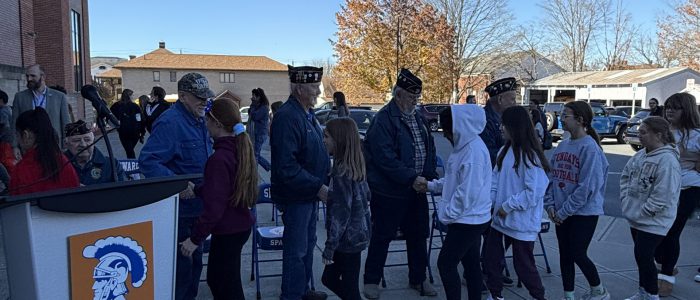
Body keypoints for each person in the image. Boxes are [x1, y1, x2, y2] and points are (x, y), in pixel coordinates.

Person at [362, 68, 439, 298]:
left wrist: (428, 173)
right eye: (411, 97)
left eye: (417, 97)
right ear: (398, 95)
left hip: (417, 189)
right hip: (390, 191)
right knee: (382, 235)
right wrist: (410, 177)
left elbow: (429, 147)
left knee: (418, 235)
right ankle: (372, 280)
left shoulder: (417, 117)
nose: (415, 101)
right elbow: (384, 157)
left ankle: (419, 278)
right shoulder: (384, 119)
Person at [138, 73, 214, 300]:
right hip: (181, 214)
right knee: (181, 274)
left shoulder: (199, 119)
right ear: (182, 96)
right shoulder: (170, 123)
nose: (204, 101)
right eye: (199, 97)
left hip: (198, 211)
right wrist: (178, 184)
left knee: (194, 269)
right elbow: (148, 161)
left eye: (206, 97)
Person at [179, 97, 257, 300]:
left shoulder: (219, 158)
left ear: (217, 124)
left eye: (207, 120)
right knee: (224, 281)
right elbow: (224, 188)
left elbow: (215, 206)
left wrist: (195, 239)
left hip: (229, 229)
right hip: (239, 226)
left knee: (223, 284)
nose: (205, 124)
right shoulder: (237, 150)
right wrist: (197, 190)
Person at [270, 65, 330, 300]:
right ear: (299, 88)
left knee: (307, 246)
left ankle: (303, 290)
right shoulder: (288, 117)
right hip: (296, 197)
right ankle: (292, 295)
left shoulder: (306, 114)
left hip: (308, 195)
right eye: (314, 86)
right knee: (296, 251)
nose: (318, 91)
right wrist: (317, 186)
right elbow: (287, 167)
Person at [544, 101, 611, 300]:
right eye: (562, 115)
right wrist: (550, 205)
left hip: (584, 213)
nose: (562, 119)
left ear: (580, 120)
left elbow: (587, 188)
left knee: (577, 253)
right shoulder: (563, 145)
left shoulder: (590, 149)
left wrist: (563, 212)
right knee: (565, 254)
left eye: (566, 115)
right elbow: (552, 178)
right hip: (560, 212)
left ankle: (598, 290)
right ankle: (569, 294)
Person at [426, 104, 491, 300]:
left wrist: (446, 215)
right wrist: (431, 186)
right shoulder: (465, 147)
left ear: (457, 128)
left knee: (445, 264)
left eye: (447, 132)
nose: (446, 136)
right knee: (471, 265)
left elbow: (466, 193)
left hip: (468, 220)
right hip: (468, 218)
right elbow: (455, 180)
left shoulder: (472, 152)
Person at [484, 106, 549, 300]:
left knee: (524, 266)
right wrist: (492, 203)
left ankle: (539, 297)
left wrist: (508, 206)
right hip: (499, 220)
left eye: (504, 124)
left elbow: (534, 191)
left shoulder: (530, 156)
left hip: (521, 223)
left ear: (515, 127)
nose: (501, 128)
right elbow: (495, 181)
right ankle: (495, 295)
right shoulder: (505, 150)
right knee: (490, 260)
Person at [620, 116, 681, 300]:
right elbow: (625, 177)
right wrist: (626, 201)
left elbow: (665, 192)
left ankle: (652, 294)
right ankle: (643, 291)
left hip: (654, 220)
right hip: (636, 217)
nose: (639, 136)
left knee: (645, 256)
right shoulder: (640, 155)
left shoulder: (668, 160)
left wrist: (646, 211)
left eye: (644, 132)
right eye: (639, 132)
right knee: (641, 258)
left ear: (659, 135)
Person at [320, 118, 371, 300]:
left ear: (338, 140)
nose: (323, 140)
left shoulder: (341, 172)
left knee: (340, 284)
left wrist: (330, 247)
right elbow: (366, 198)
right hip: (357, 237)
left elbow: (340, 215)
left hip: (346, 241)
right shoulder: (355, 167)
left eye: (326, 136)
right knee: (337, 282)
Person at [655, 92, 700, 296]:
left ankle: (665, 279)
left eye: (675, 107)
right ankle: (665, 263)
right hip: (662, 188)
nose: (670, 110)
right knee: (655, 232)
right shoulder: (661, 132)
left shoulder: (697, 135)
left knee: (672, 231)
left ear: (687, 110)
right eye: (668, 107)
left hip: (689, 188)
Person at [479, 77, 518, 289]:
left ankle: (493, 266)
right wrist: (510, 154)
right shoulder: (485, 120)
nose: (515, 102)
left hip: (506, 184)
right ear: (500, 99)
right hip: (489, 185)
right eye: (512, 98)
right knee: (490, 232)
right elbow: (486, 154)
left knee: (503, 231)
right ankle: (486, 269)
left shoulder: (505, 118)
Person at [10, 107, 79, 195]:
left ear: (25, 135)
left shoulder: (21, 170)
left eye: (17, 135)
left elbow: (16, 206)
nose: (17, 140)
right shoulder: (64, 162)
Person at [11, 64, 71, 156]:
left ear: (42, 77)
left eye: (32, 76)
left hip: (53, 146)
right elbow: (14, 124)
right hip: (29, 147)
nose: (29, 79)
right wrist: (14, 146)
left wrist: (66, 144)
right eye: (27, 76)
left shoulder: (59, 97)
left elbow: (66, 123)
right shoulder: (20, 97)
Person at [63, 120, 126, 185]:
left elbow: (123, 191)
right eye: (76, 140)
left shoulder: (111, 165)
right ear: (66, 144)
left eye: (87, 140)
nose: (83, 144)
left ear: (93, 141)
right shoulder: (58, 165)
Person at [110, 89, 143, 159]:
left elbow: (110, 116)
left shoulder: (116, 106)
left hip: (123, 132)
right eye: (132, 95)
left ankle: (131, 164)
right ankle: (132, 165)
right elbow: (139, 120)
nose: (133, 97)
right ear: (129, 96)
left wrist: (116, 125)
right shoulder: (135, 107)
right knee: (130, 150)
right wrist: (141, 132)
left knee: (129, 150)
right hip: (134, 132)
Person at [249, 88, 272, 171]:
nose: (252, 97)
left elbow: (255, 116)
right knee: (255, 153)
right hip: (256, 132)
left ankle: (255, 171)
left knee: (255, 154)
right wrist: (253, 104)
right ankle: (268, 166)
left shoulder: (264, 107)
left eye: (253, 96)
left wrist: (253, 105)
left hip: (261, 133)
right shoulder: (257, 106)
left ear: (258, 97)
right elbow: (250, 112)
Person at [0, 89, 16, 174]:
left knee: (6, 161)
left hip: (5, 140)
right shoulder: (9, 109)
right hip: (9, 140)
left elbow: (4, 126)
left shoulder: (2, 111)